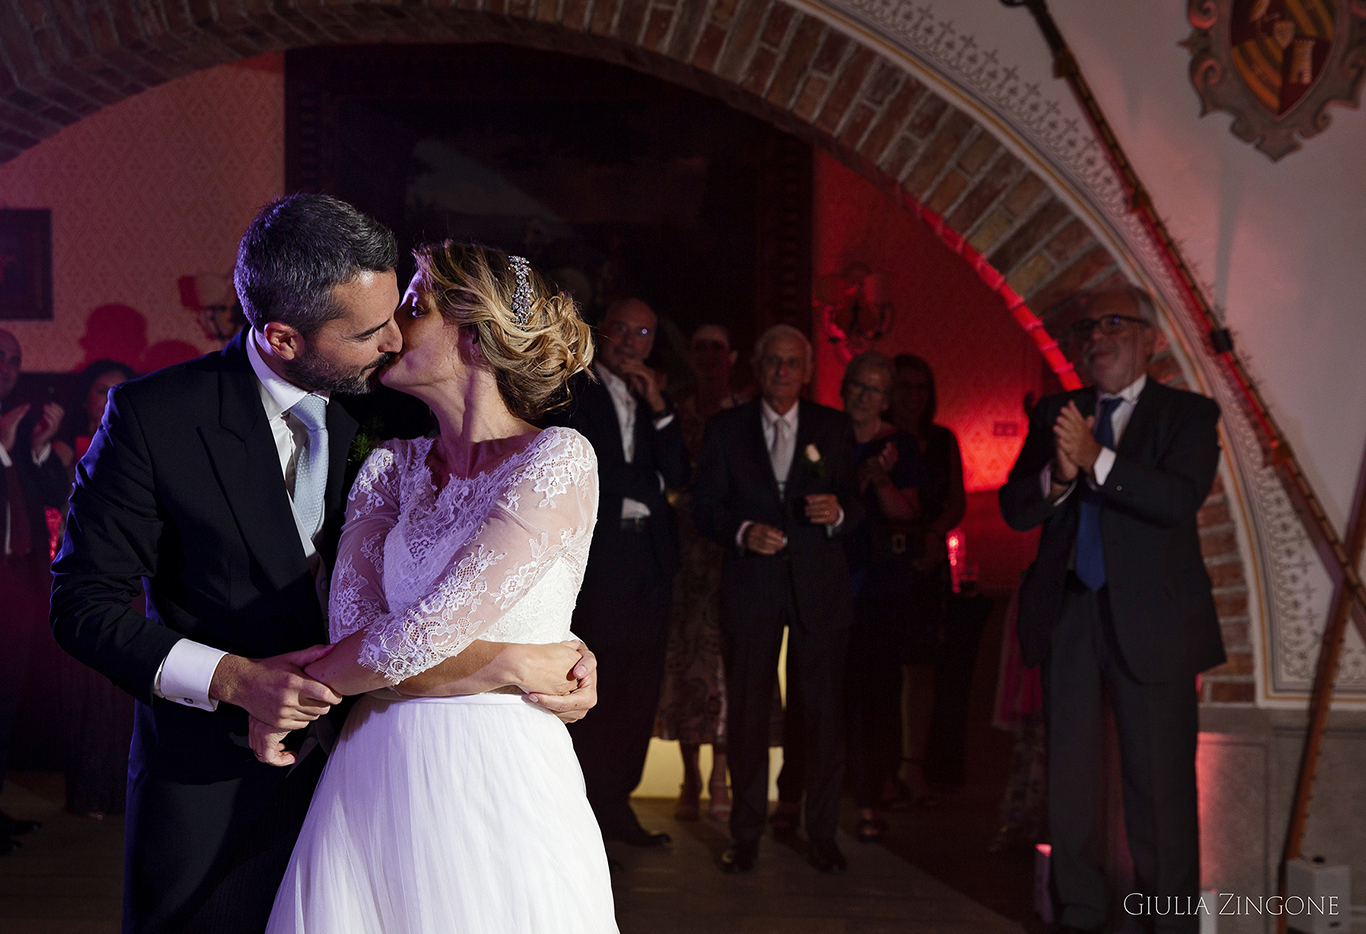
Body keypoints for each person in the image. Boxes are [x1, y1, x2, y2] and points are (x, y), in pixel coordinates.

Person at [50, 196, 598, 934]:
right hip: (218, 784)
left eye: (401, 312)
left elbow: (486, 576)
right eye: (370, 330)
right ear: (281, 336)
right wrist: (233, 679)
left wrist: (542, 654)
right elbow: (83, 603)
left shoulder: (394, 411)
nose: (392, 338)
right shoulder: (156, 418)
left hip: (388, 784)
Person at [258, 241, 615, 933]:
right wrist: (509, 661)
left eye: (414, 308)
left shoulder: (556, 459)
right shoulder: (389, 467)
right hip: (371, 772)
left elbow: (414, 641)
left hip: (497, 781)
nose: (390, 330)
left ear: (476, 338)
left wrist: (294, 683)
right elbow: (358, 638)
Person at [999, 285, 1224, 934]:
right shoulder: (1058, 411)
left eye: (1115, 326)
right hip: (1072, 612)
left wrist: (1097, 459)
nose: (1096, 338)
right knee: (1070, 780)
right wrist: (1061, 478)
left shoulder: (1187, 414)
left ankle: (1169, 922)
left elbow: (1176, 499)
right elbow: (1017, 507)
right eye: (1087, 330)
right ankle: (1080, 910)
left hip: (1152, 621)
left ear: (1152, 340)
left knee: (1159, 788)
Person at [692, 324, 863, 875]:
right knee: (746, 717)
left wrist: (838, 513)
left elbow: (860, 506)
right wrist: (743, 532)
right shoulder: (726, 430)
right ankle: (745, 835)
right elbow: (704, 508)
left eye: (793, 363)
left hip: (819, 592)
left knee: (822, 718)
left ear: (807, 371)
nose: (783, 372)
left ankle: (821, 833)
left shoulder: (833, 429)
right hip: (753, 589)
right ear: (759, 367)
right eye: (774, 362)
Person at [545, 297, 689, 847]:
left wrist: (660, 405)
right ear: (602, 333)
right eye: (622, 331)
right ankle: (578, 816)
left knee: (638, 688)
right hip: (600, 564)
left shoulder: (653, 396)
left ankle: (616, 806)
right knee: (592, 687)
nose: (630, 342)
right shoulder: (574, 388)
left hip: (650, 563)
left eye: (643, 333)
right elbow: (595, 469)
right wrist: (655, 490)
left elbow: (680, 472)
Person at [654, 324, 746, 823]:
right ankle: (690, 776)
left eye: (718, 346)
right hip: (684, 552)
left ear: (732, 355)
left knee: (727, 666)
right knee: (687, 662)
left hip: (730, 550)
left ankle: (720, 778)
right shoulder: (675, 408)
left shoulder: (744, 413)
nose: (710, 355)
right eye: (701, 346)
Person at [837, 351, 924, 843]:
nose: (865, 398)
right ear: (845, 388)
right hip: (833, 581)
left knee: (877, 695)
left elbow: (908, 514)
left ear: (886, 399)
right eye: (858, 387)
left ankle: (872, 797)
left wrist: (879, 478)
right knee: (830, 693)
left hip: (882, 586)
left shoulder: (900, 444)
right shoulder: (827, 433)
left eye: (875, 391)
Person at [52, 359, 140, 819]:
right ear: (86, 397)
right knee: (83, 698)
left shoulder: (142, 449)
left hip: (132, 586)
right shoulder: (63, 450)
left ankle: (117, 793)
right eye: (100, 390)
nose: (108, 398)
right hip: (72, 581)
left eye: (118, 390)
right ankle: (86, 795)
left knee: (122, 698)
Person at [0, 327, 67, 854]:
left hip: (18, 587)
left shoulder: (20, 422)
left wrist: (39, 448)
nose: (7, 365)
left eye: (15, 359)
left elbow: (47, 499)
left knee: (7, 704)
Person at [889, 353, 967, 801]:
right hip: (884, 561)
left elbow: (956, 501)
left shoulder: (942, 440)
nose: (913, 396)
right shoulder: (878, 438)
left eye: (921, 388)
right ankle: (879, 765)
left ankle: (912, 764)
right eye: (905, 387)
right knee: (884, 666)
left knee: (922, 666)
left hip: (931, 561)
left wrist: (934, 538)